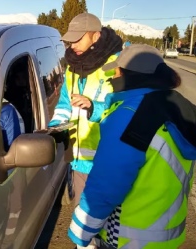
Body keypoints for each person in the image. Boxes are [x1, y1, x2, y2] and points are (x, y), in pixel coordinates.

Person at [68, 44, 196, 248]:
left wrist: (80, 231)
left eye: (117, 71)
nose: (113, 77)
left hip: (126, 238)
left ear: (130, 74)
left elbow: (107, 183)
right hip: (166, 237)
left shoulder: (130, 115)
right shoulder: (175, 106)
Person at [48, 13, 123, 211]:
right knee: (82, 219)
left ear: (96, 36)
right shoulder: (72, 68)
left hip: (108, 162)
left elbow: (125, 109)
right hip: (78, 162)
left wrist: (93, 107)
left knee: (108, 221)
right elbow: (65, 104)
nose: (72, 45)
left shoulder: (116, 65)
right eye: (70, 40)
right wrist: (56, 127)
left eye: (78, 38)